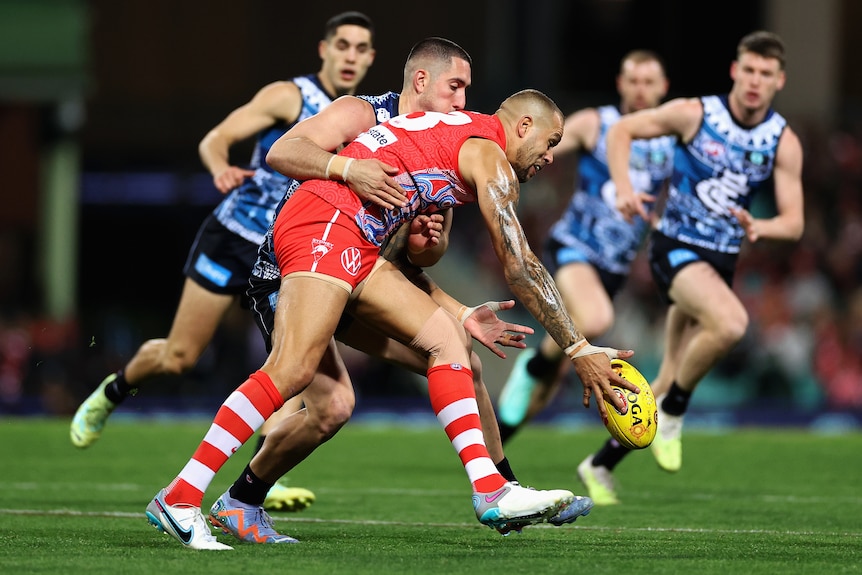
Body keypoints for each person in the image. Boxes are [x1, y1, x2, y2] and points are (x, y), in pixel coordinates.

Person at [144, 89, 638, 550]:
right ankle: (181, 497)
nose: (552, 156)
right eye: (550, 142)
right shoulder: (488, 153)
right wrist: (579, 349)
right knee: (292, 368)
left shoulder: (444, 141)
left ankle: (494, 489)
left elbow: (405, 259)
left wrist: (461, 310)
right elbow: (520, 264)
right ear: (523, 126)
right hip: (328, 221)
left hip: (354, 239)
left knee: (443, 345)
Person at [69, 11, 378, 512]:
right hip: (233, 236)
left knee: (292, 369)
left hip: (285, 252)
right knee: (180, 356)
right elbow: (214, 139)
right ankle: (113, 390)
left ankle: (258, 481)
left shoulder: (363, 115)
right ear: (323, 49)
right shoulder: (290, 96)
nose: (350, 55)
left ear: (370, 58)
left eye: (361, 48)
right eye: (342, 44)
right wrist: (219, 170)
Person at [581, 30, 805, 504]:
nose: (754, 81)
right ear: (734, 70)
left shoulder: (782, 142)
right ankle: (678, 412)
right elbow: (622, 130)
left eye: (765, 74)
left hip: (720, 262)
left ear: (779, 80)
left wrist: (762, 227)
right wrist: (623, 186)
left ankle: (599, 464)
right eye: (748, 69)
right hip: (674, 249)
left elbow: (795, 223)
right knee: (730, 323)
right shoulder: (695, 113)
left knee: (661, 381)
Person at [493, 50, 674, 505]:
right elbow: (546, 141)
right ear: (620, 82)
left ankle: (507, 428)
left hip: (614, 267)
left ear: (663, 88)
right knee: (593, 318)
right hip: (576, 248)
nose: (640, 88)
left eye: (648, 80)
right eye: (632, 79)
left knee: (550, 383)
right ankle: (536, 363)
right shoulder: (599, 123)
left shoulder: (670, 140)